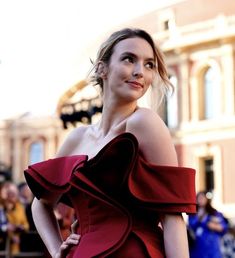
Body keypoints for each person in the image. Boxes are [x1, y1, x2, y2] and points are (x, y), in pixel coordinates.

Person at [24, 28, 196, 258]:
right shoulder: (77, 137)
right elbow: (41, 204)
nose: (139, 72)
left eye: (149, 65)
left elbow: (172, 217)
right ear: (101, 68)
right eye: (129, 59)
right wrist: (57, 250)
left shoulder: (145, 122)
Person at [188, 191, 228, 258]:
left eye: (203, 198)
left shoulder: (214, 213)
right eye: (199, 198)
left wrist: (214, 226)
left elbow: (224, 227)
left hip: (212, 248)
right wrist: (199, 219)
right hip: (197, 248)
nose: (201, 200)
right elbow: (190, 226)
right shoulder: (193, 214)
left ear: (207, 199)